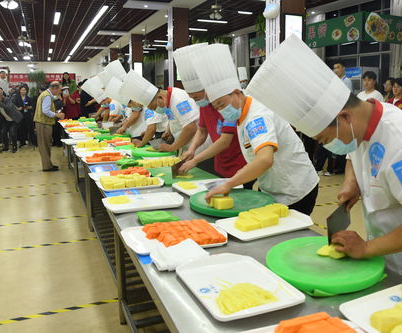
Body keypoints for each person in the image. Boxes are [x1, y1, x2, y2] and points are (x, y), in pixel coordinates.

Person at [246, 34, 402, 278]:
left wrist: (366, 247)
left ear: (345, 117)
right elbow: (353, 156)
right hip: (385, 249)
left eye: (326, 140)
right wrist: (352, 183)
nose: (329, 147)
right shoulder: (361, 123)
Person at [193, 43, 319, 215]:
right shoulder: (242, 110)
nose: (221, 111)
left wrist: (228, 183)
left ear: (237, 93)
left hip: (295, 189)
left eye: (222, 104)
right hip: (272, 186)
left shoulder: (257, 116)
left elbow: (265, 159)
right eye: (216, 107)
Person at [173, 43, 248, 180]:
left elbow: (225, 141)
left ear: (206, 90)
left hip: (240, 163)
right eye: (192, 98)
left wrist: (196, 160)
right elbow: (202, 131)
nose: (196, 101)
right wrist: (191, 150)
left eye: (196, 97)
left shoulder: (227, 104)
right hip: (220, 162)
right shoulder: (205, 104)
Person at [120, 70, 199, 153]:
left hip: (197, 148)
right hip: (185, 146)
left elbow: (190, 128)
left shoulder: (179, 100)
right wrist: (169, 131)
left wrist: (172, 147)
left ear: (160, 98)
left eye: (154, 107)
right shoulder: (168, 102)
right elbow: (175, 117)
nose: (155, 111)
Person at [34, 81, 64, 171]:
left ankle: (48, 164)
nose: (60, 92)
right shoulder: (47, 96)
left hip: (43, 123)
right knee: (44, 145)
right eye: (59, 90)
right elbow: (45, 110)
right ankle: (47, 167)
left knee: (46, 145)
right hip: (43, 123)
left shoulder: (46, 94)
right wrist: (57, 115)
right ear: (54, 88)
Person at [0, 87, 22, 153]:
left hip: (15, 118)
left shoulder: (6, 99)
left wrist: (0, 103)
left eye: (0, 94)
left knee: (12, 131)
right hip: (6, 120)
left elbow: (8, 108)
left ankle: (15, 146)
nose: (0, 95)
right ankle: (6, 147)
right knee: (3, 132)